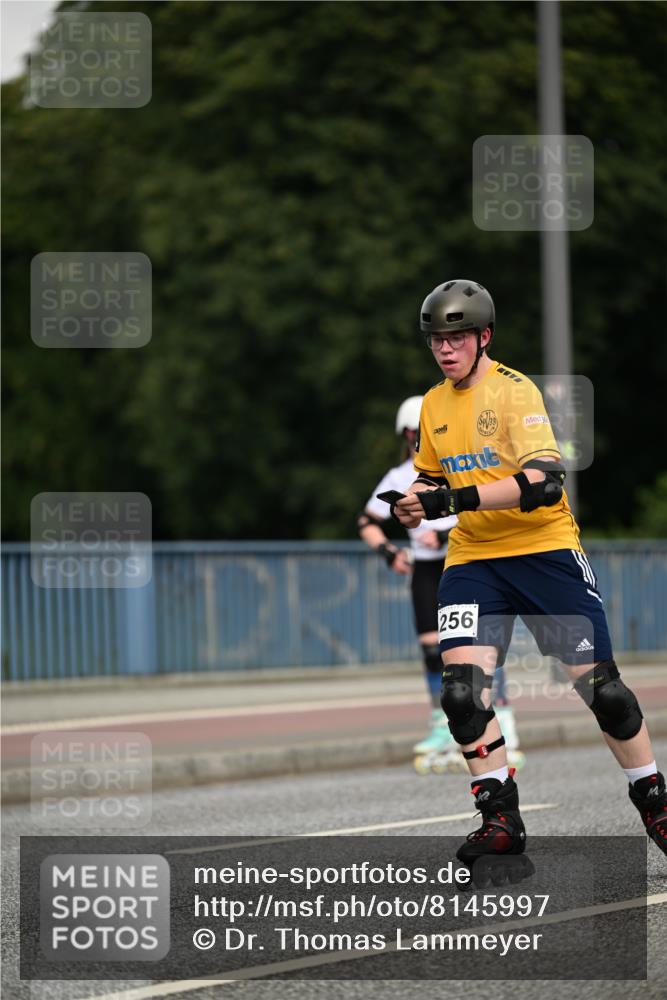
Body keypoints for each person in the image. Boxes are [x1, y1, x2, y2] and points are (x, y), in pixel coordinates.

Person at [391, 278, 666, 861]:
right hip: (475, 560)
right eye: (437, 339)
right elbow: (433, 477)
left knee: (605, 694)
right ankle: (500, 819)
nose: (446, 348)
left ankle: (656, 803)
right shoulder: (435, 402)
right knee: (462, 696)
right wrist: (419, 497)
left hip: (543, 551)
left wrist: (452, 500)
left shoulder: (514, 394)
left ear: (484, 336)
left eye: (458, 336)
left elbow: (544, 483)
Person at [358, 396, 524, 773]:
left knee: (480, 649)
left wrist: (446, 533)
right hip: (426, 571)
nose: (419, 440)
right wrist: (388, 552)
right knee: (434, 653)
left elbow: (491, 506)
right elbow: (366, 521)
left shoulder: (464, 467)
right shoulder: (400, 477)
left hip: (466, 562)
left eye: (424, 433)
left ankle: (505, 722)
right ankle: (440, 725)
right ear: (406, 435)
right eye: (413, 434)